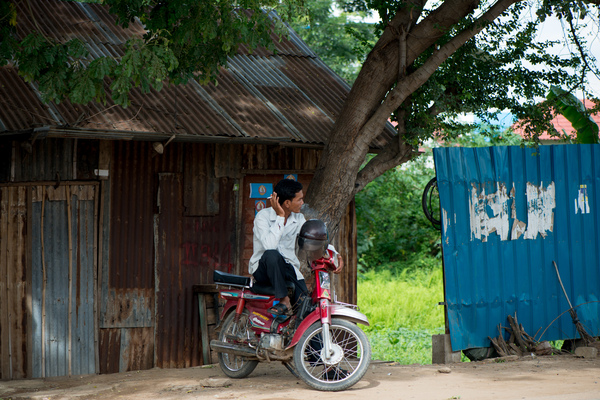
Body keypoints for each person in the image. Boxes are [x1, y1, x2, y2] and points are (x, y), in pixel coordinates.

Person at [249, 179, 343, 315]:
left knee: (305, 308)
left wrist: (334, 253)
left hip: (288, 269)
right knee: (272, 254)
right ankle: (284, 299)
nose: (302, 203)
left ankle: (311, 335)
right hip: (263, 269)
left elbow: (313, 239)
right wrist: (281, 216)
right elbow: (270, 246)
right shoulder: (263, 217)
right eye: (299, 200)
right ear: (287, 203)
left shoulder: (298, 219)